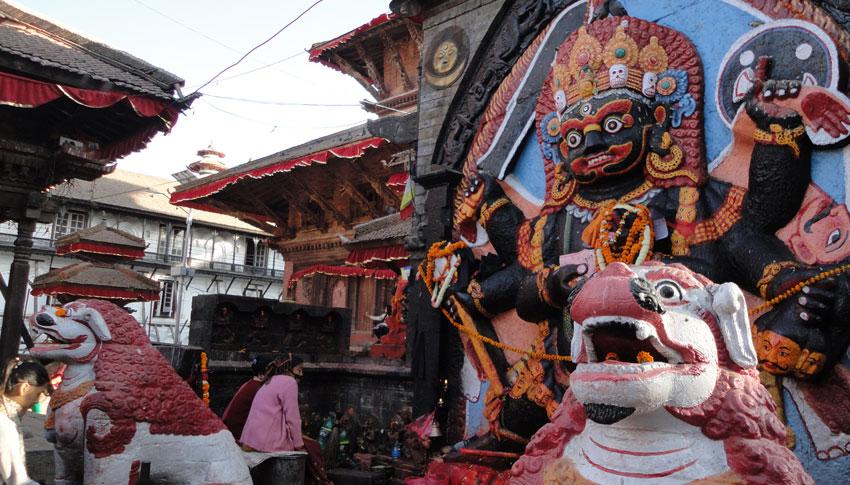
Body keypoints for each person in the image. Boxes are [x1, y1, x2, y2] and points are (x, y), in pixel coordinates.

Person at [1, 358, 50, 485]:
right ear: (24, 388)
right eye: (38, 393)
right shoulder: (5, 425)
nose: (37, 401)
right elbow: (18, 481)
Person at [240, 355, 304, 452]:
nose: (301, 374)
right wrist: (299, 444)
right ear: (289, 368)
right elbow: (293, 418)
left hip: (250, 439)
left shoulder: (271, 379)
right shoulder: (290, 382)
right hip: (267, 442)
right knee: (312, 447)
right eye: (299, 370)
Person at [221, 355, 275, 442]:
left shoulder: (251, 383)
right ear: (261, 374)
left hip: (232, 429)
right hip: (239, 433)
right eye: (271, 372)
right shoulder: (258, 388)